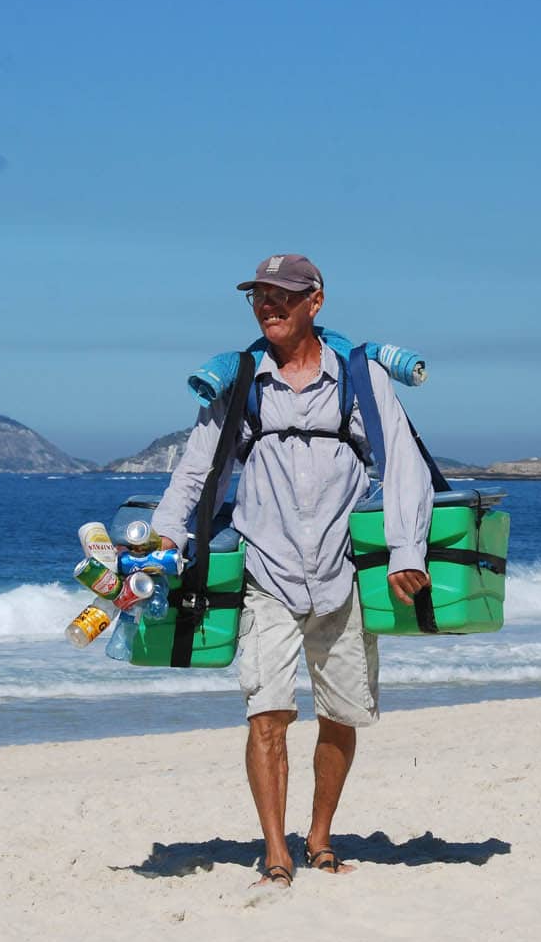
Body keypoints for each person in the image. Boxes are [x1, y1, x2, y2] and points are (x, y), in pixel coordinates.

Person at [150, 253, 433, 888]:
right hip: (266, 573)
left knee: (340, 715)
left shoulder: (360, 378)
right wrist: (165, 538)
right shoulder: (241, 381)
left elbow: (405, 465)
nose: (269, 305)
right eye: (259, 296)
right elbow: (197, 469)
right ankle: (276, 852)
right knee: (267, 713)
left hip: (342, 573)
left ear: (316, 301)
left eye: (283, 295)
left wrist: (406, 551)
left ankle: (321, 834)